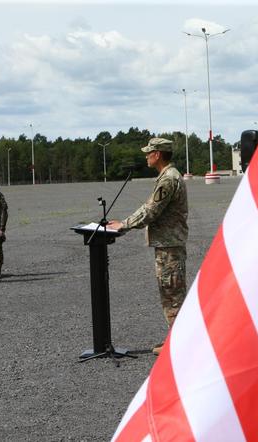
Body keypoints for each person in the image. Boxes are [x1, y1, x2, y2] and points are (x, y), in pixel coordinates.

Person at [107, 137, 188, 355]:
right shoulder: (168, 176)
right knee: (170, 293)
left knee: (172, 294)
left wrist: (124, 225)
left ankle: (180, 344)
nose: (146, 156)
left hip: (170, 247)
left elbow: (151, 210)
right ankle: (176, 339)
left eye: (148, 152)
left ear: (158, 154)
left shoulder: (168, 179)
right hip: (168, 245)